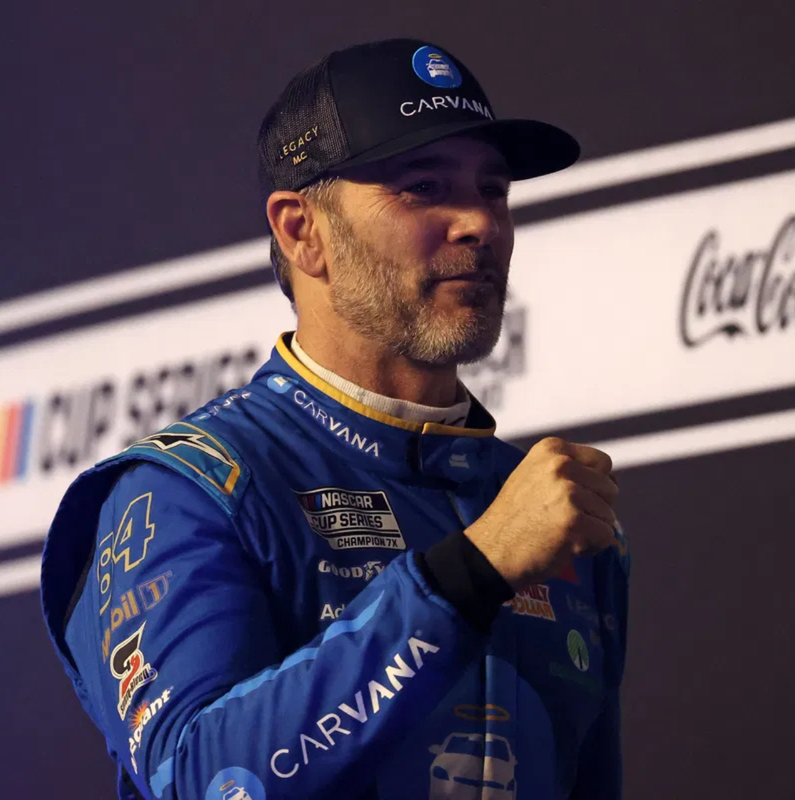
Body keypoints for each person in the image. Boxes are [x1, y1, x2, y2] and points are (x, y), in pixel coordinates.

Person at [40, 38, 630, 800]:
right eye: (424, 188)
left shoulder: (549, 510)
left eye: (493, 190)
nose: (479, 223)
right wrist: (469, 574)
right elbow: (198, 780)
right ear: (301, 232)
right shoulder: (186, 490)